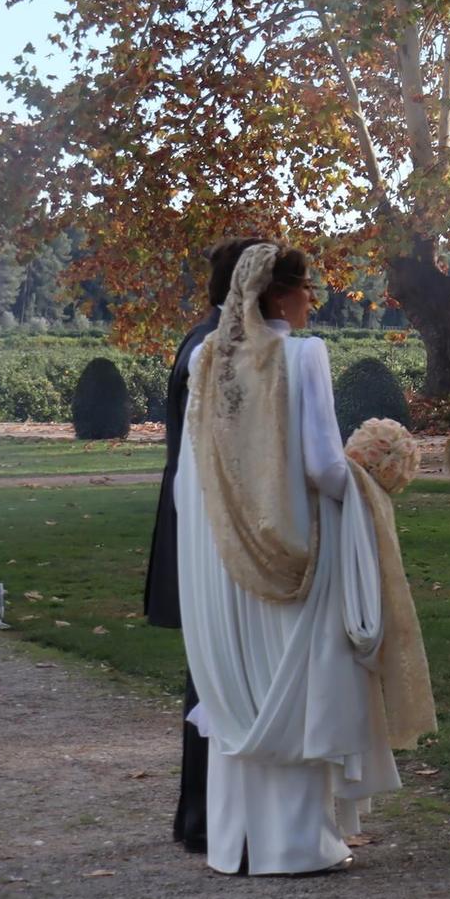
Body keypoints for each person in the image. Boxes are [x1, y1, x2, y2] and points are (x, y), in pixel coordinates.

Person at [175, 242, 433, 875]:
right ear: (282, 296)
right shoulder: (302, 355)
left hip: (221, 557)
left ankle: (236, 842)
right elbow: (321, 466)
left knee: (244, 684)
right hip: (293, 554)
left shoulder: (207, 357)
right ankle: (295, 845)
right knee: (300, 683)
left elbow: (191, 478)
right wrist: (370, 481)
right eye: (306, 289)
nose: (312, 302)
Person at [144, 236, 267, 853]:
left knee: (214, 671)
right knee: (217, 672)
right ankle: (207, 818)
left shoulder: (204, 339)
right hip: (208, 527)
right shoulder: (214, 349)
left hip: (199, 521)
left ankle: (207, 815)